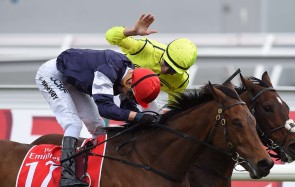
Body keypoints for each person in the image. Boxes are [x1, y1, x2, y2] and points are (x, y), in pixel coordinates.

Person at [35, 48, 160, 187]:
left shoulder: (130, 76)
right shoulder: (107, 71)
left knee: (98, 127)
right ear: (129, 82)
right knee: (73, 124)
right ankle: (66, 176)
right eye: (132, 95)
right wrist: (138, 117)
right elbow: (105, 109)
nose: (131, 98)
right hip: (52, 75)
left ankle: (98, 166)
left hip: (73, 80)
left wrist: (146, 120)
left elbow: (127, 108)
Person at [105, 13, 198, 113]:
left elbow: (172, 107)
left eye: (172, 70)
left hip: (140, 97)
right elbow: (109, 37)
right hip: (110, 83)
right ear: (165, 52)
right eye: (166, 63)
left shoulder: (181, 81)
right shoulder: (145, 48)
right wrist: (132, 31)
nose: (165, 70)